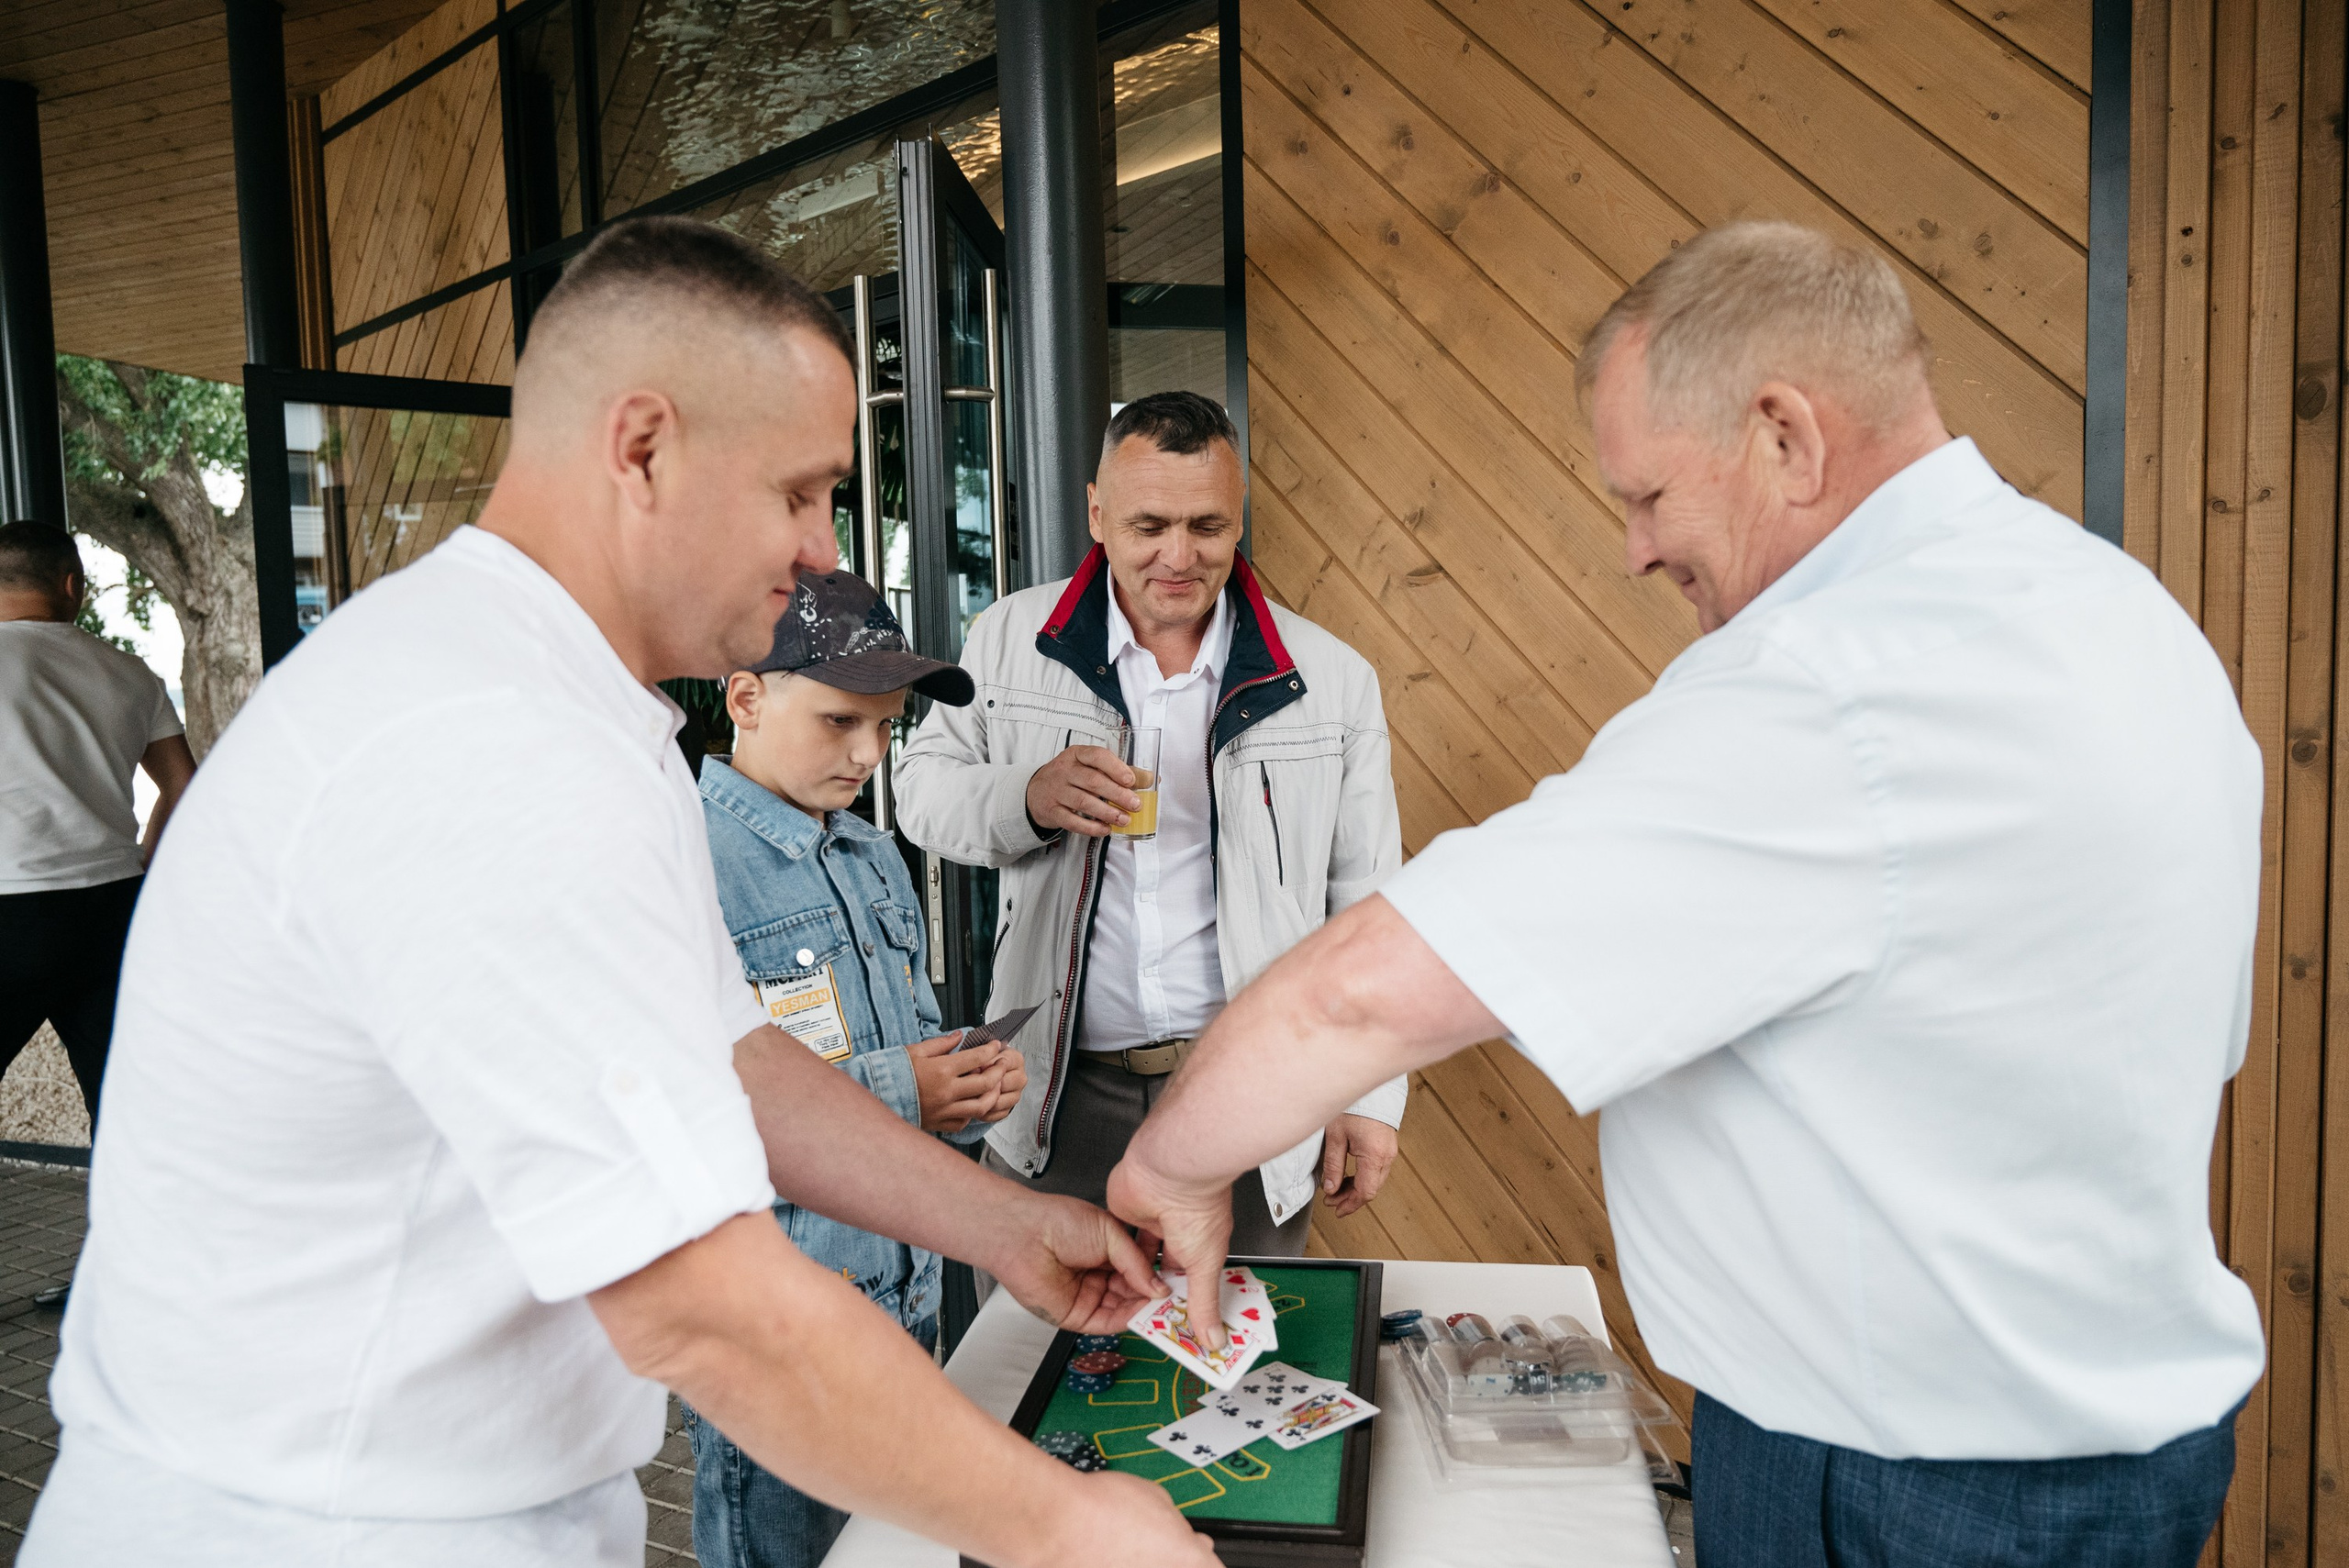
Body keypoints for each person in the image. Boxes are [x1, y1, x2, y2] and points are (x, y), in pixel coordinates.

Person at [25, 217, 1212, 1568]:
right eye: (802, 492)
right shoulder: (488, 735)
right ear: (642, 447)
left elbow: (729, 1057)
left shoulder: (575, 709)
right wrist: (1070, 1529)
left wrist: (998, 1224)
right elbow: (699, 1306)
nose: (823, 551)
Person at [1106, 223, 2264, 1568]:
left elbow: (1356, 994)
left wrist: (1168, 1166)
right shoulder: (2115, 609)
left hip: (1903, 1478)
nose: (1636, 551)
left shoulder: (1828, 684)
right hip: (2096, 1440)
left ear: (1784, 437)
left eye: (1649, 496)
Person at [894, 391, 1405, 1259]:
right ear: (1097, 513)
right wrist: (1027, 796)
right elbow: (919, 791)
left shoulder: (1333, 678)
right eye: (1149, 525)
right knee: (1035, 1341)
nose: (1179, 554)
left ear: (1239, 514)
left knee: (1237, 1342)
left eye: (1207, 525)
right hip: (1052, 1095)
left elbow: (1371, 904)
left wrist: (1370, 1092)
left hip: (1253, 1098)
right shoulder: (1008, 637)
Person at [686, 569, 1028, 1568]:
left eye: (886, 725)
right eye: (840, 721)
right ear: (746, 697)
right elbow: (686, 1112)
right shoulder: (680, 863)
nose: (870, 754)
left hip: (909, 1317)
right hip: (777, 1345)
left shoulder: (875, 854)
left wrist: (961, 1090)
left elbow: (906, 1060)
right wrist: (901, 1087)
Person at [0, 520, 195, 1126]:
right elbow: (184, 787)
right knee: (128, 1105)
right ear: (71, 585)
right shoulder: (131, 672)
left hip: (11, 905)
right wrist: (143, 862)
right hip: (112, 909)